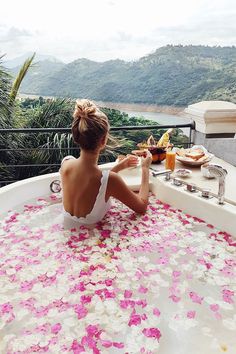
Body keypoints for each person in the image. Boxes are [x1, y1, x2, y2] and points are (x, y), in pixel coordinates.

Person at [60, 99, 152, 225]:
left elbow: (96, 184)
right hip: (92, 239)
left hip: (65, 232)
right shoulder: (111, 181)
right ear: (103, 140)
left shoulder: (66, 163)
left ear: (76, 137)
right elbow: (141, 207)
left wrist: (119, 166)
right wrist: (145, 168)